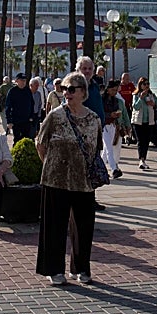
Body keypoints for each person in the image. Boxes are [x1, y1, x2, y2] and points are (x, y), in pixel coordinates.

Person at [34, 72, 102, 286]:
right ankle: (54, 270)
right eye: (64, 89)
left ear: (83, 92)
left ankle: (81, 268)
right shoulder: (55, 116)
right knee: (55, 226)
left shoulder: (93, 119)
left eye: (71, 89)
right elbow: (40, 143)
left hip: (83, 181)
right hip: (56, 179)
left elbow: (96, 148)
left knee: (84, 227)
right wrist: (50, 164)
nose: (67, 93)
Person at [130, 77, 157, 170]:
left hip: (149, 121)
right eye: (144, 84)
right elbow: (135, 107)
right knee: (140, 141)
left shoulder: (151, 95)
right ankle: (141, 160)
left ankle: (143, 159)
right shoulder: (136, 95)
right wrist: (140, 98)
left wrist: (153, 104)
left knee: (146, 141)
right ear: (140, 85)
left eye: (148, 84)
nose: (146, 86)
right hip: (138, 122)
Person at [4, 72, 38, 144]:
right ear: (17, 81)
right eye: (21, 80)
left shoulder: (28, 91)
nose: (23, 82)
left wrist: (32, 116)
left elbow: (32, 104)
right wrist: (9, 121)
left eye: (24, 81)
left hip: (27, 120)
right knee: (17, 140)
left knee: (27, 140)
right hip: (16, 121)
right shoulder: (12, 91)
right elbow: (8, 107)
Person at [101, 80, 124, 178]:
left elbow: (117, 109)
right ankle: (114, 168)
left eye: (116, 90)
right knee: (109, 147)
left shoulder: (115, 100)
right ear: (108, 90)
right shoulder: (102, 100)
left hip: (112, 125)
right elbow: (100, 112)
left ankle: (100, 167)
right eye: (113, 90)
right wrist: (109, 115)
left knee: (107, 148)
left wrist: (117, 115)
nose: (115, 92)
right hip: (104, 125)